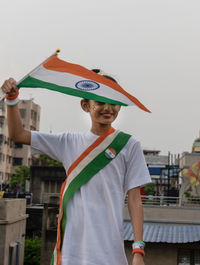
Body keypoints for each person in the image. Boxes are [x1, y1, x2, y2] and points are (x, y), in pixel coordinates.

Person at [1, 73, 151, 265]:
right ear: (86, 105)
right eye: (100, 100)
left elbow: (135, 199)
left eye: (113, 101)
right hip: (71, 252)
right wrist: (12, 100)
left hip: (109, 252)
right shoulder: (68, 142)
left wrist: (138, 250)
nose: (108, 108)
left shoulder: (129, 145)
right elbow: (17, 134)